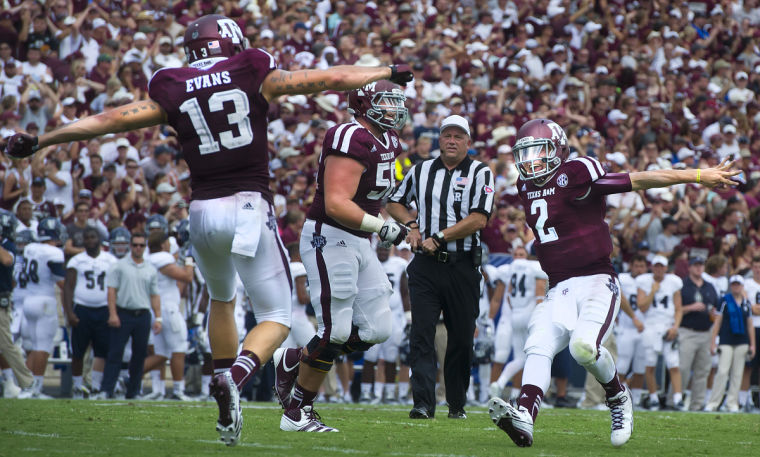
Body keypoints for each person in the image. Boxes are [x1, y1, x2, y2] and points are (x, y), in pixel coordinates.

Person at [5, 14, 412, 446]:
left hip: (200, 210)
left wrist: (43, 140)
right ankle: (234, 379)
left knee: (222, 297)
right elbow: (323, 78)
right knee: (275, 315)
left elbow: (113, 119)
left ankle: (222, 378)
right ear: (233, 43)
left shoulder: (172, 83)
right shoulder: (250, 68)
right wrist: (385, 71)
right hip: (248, 205)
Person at [482, 118, 738, 448]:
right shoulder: (525, 186)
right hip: (559, 285)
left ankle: (618, 397)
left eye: (539, 153)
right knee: (538, 344)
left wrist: (699, 175)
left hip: (596, 280)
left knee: (583, 348)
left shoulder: (576, 172)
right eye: (526, 155)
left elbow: (641, 180)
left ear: (558, 150)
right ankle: (524, 416)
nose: (531, 163)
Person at [271, 80, 410, 432]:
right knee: (335, 330)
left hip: (359, 239)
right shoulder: (349, 136)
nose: (395, 109)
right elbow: (335, 202)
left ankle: (295, 359)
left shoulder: (388, 140)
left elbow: (370, 200)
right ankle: (298, 411)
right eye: (387, 102)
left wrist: (386, 223)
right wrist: (381, 227)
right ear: (365, 104)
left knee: (378, 328)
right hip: (329, 237)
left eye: (396, 102)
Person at [386, 114, 496, 420]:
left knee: (460, 337)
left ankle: (456, 404)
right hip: (425, 265)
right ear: (439, 140)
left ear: (468, 143)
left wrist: (439, 236)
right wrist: (411, 224)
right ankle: (422, 403)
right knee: (421, 334)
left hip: (462, 266)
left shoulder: (480, 172)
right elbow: (393, 201)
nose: (451, 140)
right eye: (447, 135)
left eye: (458, 136)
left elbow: (479, 218)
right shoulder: (420, 170)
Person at [98, 232, 161, 399]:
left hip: (143, 314)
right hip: (124, 312)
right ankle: (107, 389)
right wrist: (113, 314)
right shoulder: (119, 266)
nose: (138, 248)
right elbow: (111, 290)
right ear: (130, 246)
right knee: (115, 353)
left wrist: (158, 317)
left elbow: (154, 295)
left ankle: (133, 391)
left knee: (139, 354)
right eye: (135, 245)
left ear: (145, 247)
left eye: (141, 245)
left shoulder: (150, 268)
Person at [62, 226, 118, 398]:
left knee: (102, 351)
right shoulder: (76, 261)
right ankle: (78, 387)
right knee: (78, 352)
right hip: (82, 308)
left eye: (93, 237)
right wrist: (69, 313)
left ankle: (95, 386)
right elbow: (68, 288)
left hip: (103, 309)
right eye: (87, 238)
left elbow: (116, 287)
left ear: (99, 239)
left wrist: (113, 311)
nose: (90, 240)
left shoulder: (111, 260)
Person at [489, 246, 547, 400]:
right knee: (531, 357)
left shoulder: (512, 269)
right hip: (529, 316)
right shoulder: (535, 268)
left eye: (521, 254)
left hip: (515, 315)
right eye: (516, 254)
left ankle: (501, 385)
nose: (519, 257)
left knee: (519, 358)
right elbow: (539, 295)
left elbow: (508, 296)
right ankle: (528, 396)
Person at [143, 231, 194, 400]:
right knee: (178, 349)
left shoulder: (150, 258)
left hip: (158, 309)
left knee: (161, 353)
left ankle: (155, 388)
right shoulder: (162, 258)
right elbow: (187, 276)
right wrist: (189, 258)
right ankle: (178, 390)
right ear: (163, 244)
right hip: (167, 309)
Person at [18, 217, 65, 398]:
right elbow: (61, 281)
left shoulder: (31, 248)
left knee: (33, 347)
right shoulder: (53, 252)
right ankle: (35, 388)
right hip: (44, 301)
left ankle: (26, 387)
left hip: (28, 301)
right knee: (42, 347)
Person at [360, 243, 410, 404]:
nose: (382, 252)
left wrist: (408, 314)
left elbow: (404, 290)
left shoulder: (399, 264)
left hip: (394, 315)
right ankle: (366, 393)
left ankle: (389, 393)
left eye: (385, 249)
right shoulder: (369, 263)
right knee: (370, 355)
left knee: (391, 355)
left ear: (390, 250)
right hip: (372, 313)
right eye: (380, 249)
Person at [636, 255, 685, 410]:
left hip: (667, 325)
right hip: (650, 326)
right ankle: (653, 398)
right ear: (652, 267)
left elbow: (678, 309)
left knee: (673, 364)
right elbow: (642, 307)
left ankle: (678, 399)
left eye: (661, 266)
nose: (658, 269)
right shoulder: (644, 281)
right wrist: (653, 291)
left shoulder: (674, 282)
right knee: (650, 364)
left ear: (666, 268)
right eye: (656, 266)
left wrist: (675, 327)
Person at [705, 275, 756, 412]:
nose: (736, 287)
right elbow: (718, 322)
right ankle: (714, 402)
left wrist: (752, 344)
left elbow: (750, 325)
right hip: (726, 340)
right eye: (733, 284)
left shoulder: (746, 303)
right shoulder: (724, 301)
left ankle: (732, 403)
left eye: (738, 284)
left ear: (742, 286)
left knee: (737, 373)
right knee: (722, 371)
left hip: (742, 341)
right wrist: (713, 341)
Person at [678, 256, 719, 411]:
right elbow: (675, 309)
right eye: (695, 265)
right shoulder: (683, 285)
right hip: (687, 331)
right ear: (689, 267)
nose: (699, 268)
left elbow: (716, 308)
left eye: (701, 265)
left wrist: (713, 315)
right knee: (682, 368)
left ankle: (697, 404)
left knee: (703, 371)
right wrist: (690, 307)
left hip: (706, 332)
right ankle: (676, 400)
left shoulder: (710, 286)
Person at [0, 210, 33, 397]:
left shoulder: (8, 245)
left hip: (1, 302)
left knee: (6, 345)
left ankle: (28, 382)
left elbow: (6, 260)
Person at [614, 254, 648, 407]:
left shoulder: (650, 280)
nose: (640, 270)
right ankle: (616, 398)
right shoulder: (623, 278)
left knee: (640, 367)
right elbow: (618, 299)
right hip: (626, 328)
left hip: (644, 329)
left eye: (642, 266)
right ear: (631, 266)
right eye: (637, 266)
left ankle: (637, 399)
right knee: (621, 365)